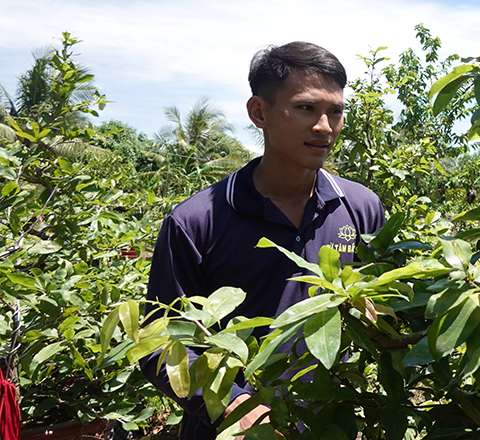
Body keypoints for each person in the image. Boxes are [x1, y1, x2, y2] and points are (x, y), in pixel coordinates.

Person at [141, 42, 385, 440]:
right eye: (306, 108)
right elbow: (159, 340)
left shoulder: (360, 207)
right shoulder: (198, 220)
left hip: (328, 425)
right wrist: (232, 404)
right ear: (259, 112)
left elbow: (382, 306)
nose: (325, 126)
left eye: (336, 111)